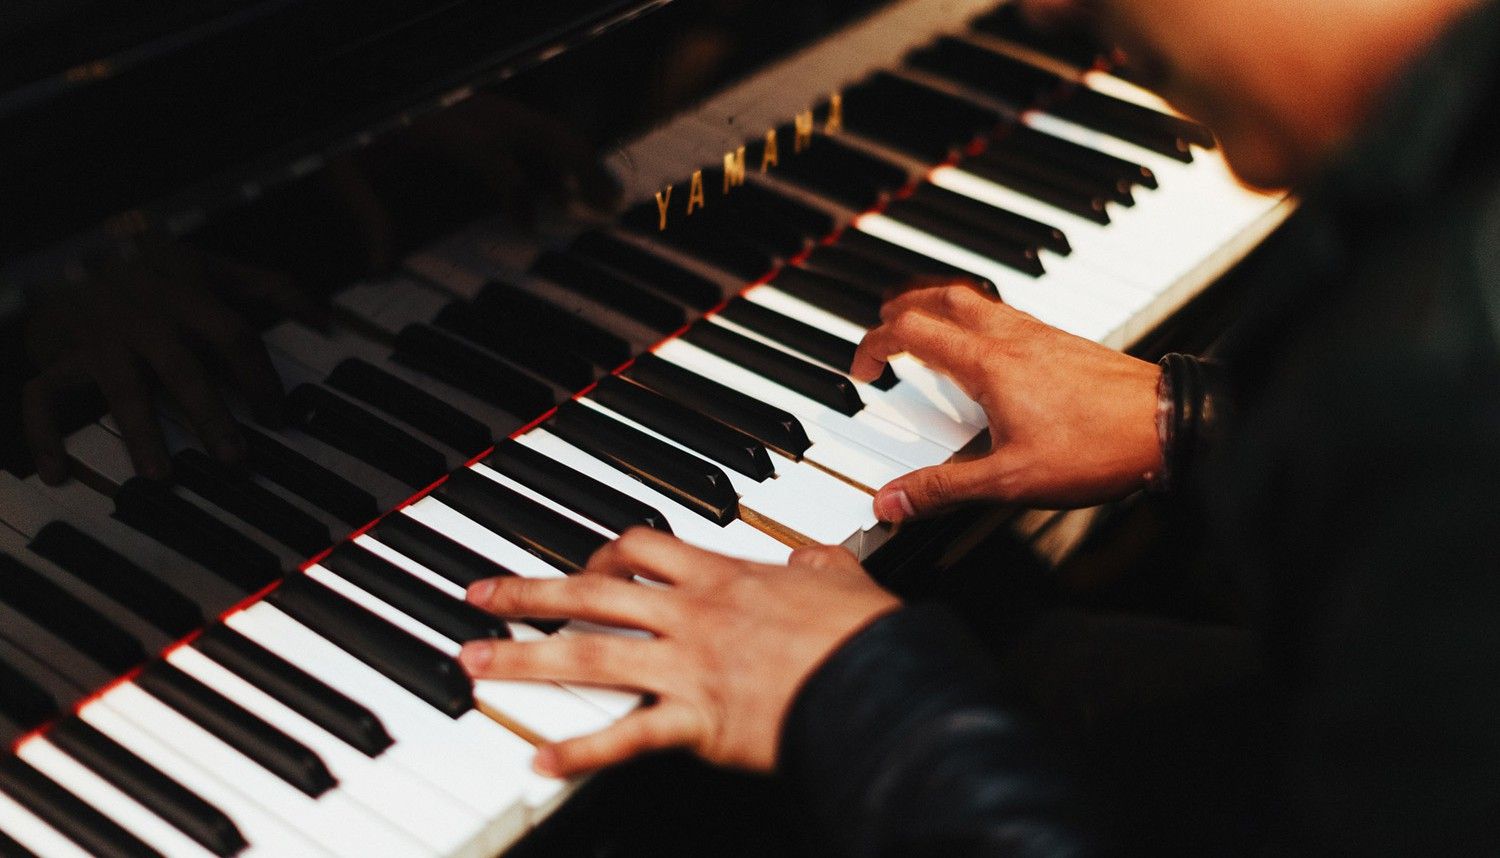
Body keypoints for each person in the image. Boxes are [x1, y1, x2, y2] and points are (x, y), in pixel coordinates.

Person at [456, 0, 1500, 854]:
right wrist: (1189, 417)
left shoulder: (1440, 354)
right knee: (1023, 645)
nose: (1043, 4)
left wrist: (869, 698)